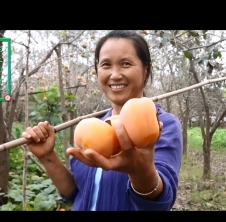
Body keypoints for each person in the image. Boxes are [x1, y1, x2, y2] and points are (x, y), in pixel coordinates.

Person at [22, 30, 183, 211]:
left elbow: (160, 202)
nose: (115, 74)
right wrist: (47, 157)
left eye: (125, 63)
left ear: (146, 69)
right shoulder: (93, 127)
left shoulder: (161, 125)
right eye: (106, 64)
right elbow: (76, 193)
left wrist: (140, 171)